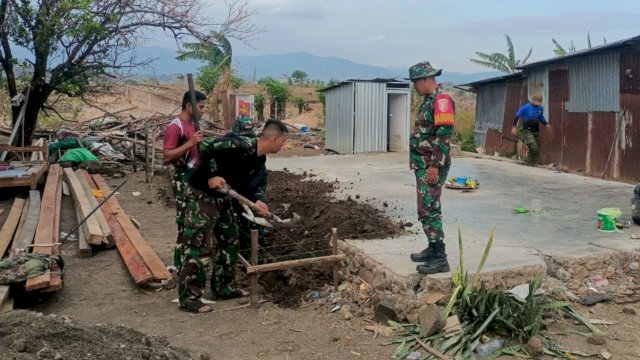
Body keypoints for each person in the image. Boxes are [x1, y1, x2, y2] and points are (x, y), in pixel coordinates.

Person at [175, 119, 288, 313]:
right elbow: (207, 145)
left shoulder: (259, 159)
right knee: (199, 244)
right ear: (275, 138)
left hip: (223, 198)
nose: (283, 145)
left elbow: (252, 182)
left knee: (230, 239)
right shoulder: (240, 144)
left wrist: (257, 199)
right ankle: (189, 297)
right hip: (202, 194)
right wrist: (212, 174)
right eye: (283, 141)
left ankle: (222, 288)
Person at [407, 61, 455, 275]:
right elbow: (423, 132)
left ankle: (440, 258)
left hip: (432, 164)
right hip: (423, 163)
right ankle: (432, 247)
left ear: (426, 79)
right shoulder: (429, 100)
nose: (415, 86)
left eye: (416, 81)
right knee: (425, 207)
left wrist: (435, 165)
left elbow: (444, 135)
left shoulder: (442, 100)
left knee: (429, 207)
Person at [163, 91, 206, 239]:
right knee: (184, 220)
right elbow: (167, 156)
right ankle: (181, 257)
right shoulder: (176, 127)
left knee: (194, 218)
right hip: (183, 178)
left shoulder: (193, 125)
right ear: (189, 106)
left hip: (194, 177)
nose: (202, 111)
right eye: (200, 107)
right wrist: (191, 143)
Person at [227, 116, 269, 252]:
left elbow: (260, 177)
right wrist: (235, 196)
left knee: (257, 226)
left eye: (249, 138)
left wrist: (259, 198)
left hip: (248, 197)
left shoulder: (257, 154)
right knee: (230, 230)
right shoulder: (225, 151)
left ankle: (256, 261)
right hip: (227, 198)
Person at [510, 93, 550, 166]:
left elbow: (541, 117)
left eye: (539, 103)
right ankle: (529, 163)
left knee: (535, 149)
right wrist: (514, 127)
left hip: (535, 130)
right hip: (527, 130)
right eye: (536, 102)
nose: (538, 104)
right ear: (533, 100)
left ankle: (530, 164)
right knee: (534, 147)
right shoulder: (526, 107)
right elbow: (517, 116)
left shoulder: (540, 108)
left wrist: (546, 123)